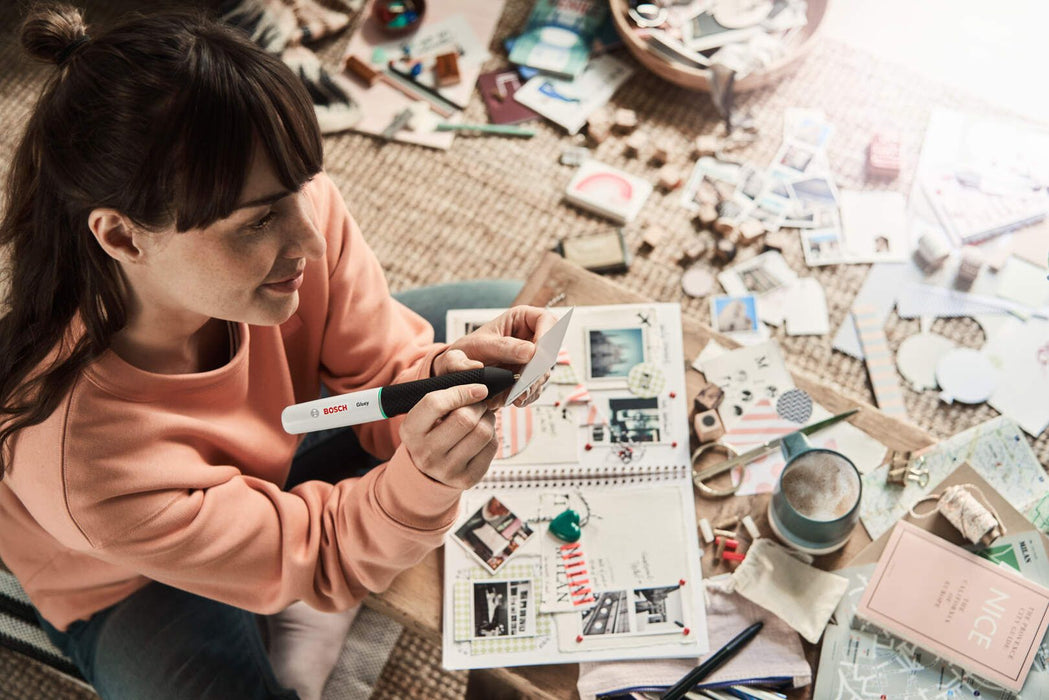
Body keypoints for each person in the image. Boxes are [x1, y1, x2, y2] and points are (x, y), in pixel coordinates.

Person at [0, 4, 554, 698]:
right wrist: (424, 480)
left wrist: (435, 379)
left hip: (278, 434)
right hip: (127, 575)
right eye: (258, 219)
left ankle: (289, 581)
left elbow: (385, 370)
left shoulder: (297, 211)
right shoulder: (84, 462)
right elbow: (324, 554)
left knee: (510, 310)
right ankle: (287, 606)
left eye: (297, 189)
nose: (311, 239)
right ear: (122, 236)